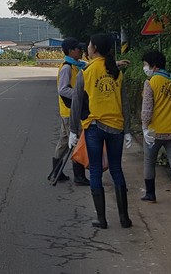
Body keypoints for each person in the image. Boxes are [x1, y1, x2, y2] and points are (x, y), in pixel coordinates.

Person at [69, 33, 133, 229]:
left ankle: (101, 219)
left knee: (95, 171)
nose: (87, 47)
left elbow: (77, 103)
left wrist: (73, 130)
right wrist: (128, 130)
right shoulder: (116, 72)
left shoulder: (87, 72)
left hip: (94, 127)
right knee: (116, 169)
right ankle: (124, 219)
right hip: (116, 127)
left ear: (94, 47)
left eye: (88, 45)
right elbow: (125, 103)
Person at [139, 50, 171, 210]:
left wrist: (144, 127)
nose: (145, 67)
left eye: (145, 64)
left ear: (153, 65)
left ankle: (150, 194)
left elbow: (147, 108)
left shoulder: (151, 82)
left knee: (149, 162)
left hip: (155, 130)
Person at [50, 37, 90, 185]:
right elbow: (63, 89)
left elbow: (93, 66)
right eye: (78, 49)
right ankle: (79, 176)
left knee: (64, 141)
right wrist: (80, 95)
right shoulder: (67, 67)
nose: (81, 51)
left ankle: (56, 172)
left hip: (68, 111)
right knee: (77, 142)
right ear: (71, 51)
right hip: (70, 112)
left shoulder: (78, 65)